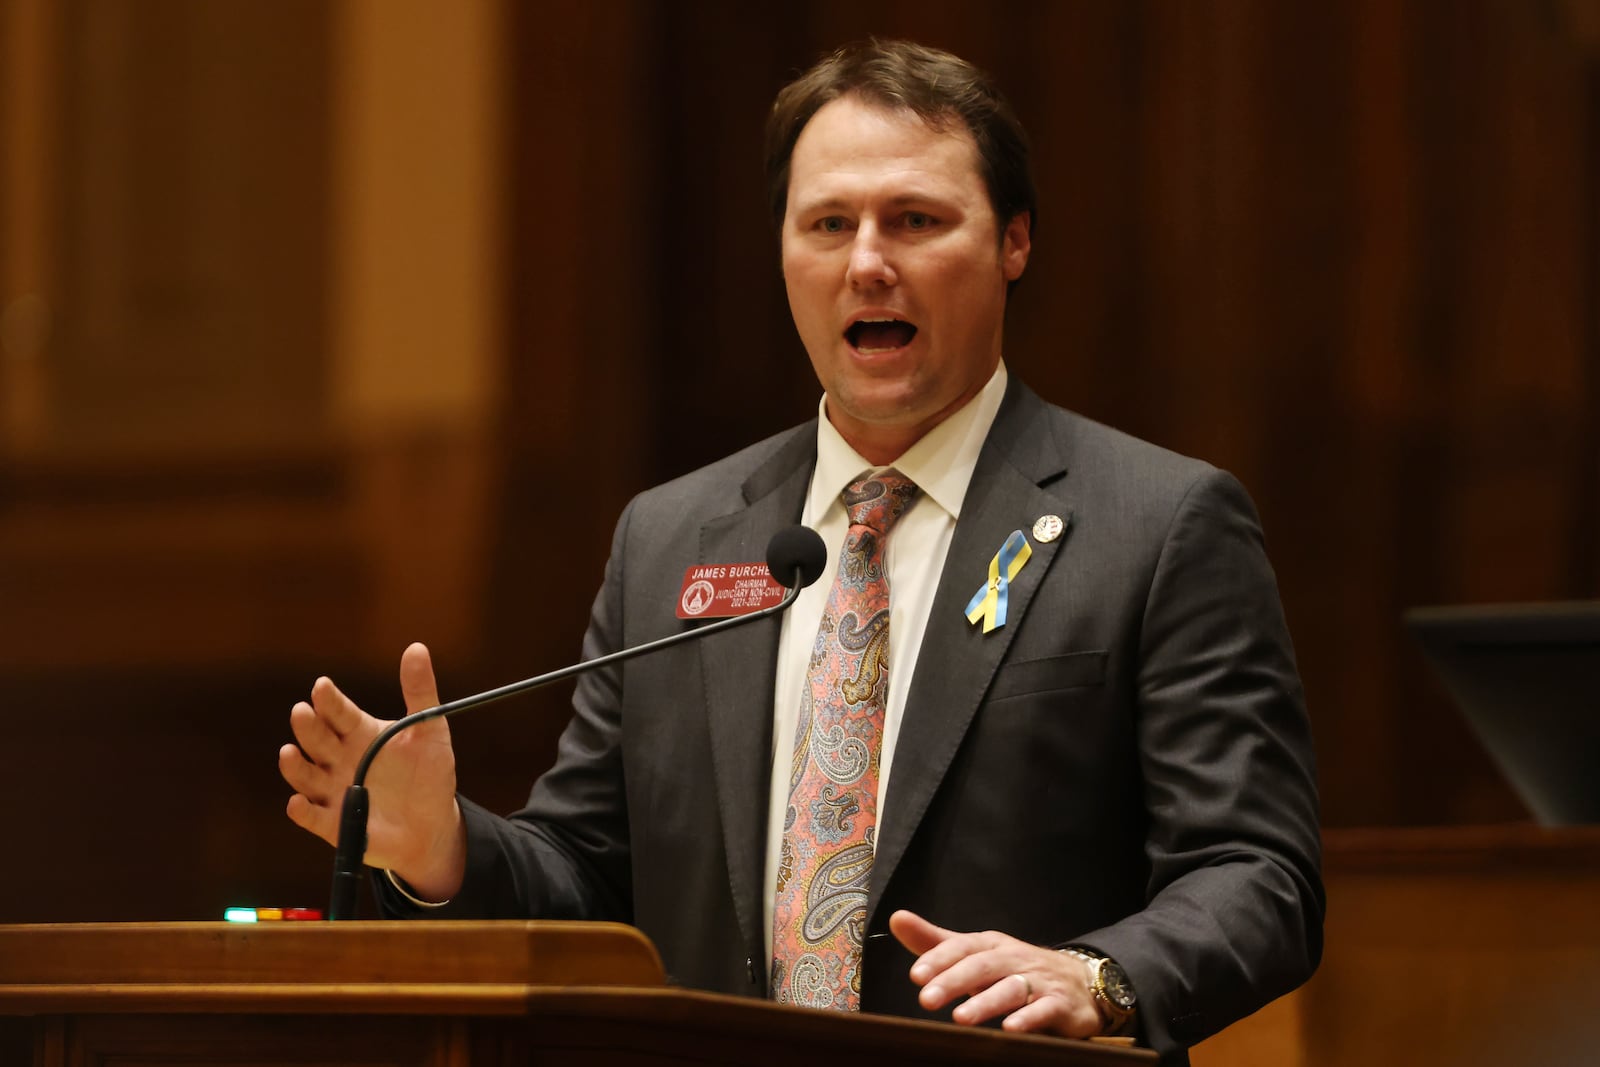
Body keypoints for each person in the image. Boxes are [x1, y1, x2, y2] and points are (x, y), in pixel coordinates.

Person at [280, 39, 1322, 1063]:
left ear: (1013, 241)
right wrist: (441, 844)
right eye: (828, 223)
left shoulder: (1158, 522)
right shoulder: (674, 538)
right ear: (783, 252)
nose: (867, 260)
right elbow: (590, 879)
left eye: (915, 219)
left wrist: (1098, 976)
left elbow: (1258, 873)